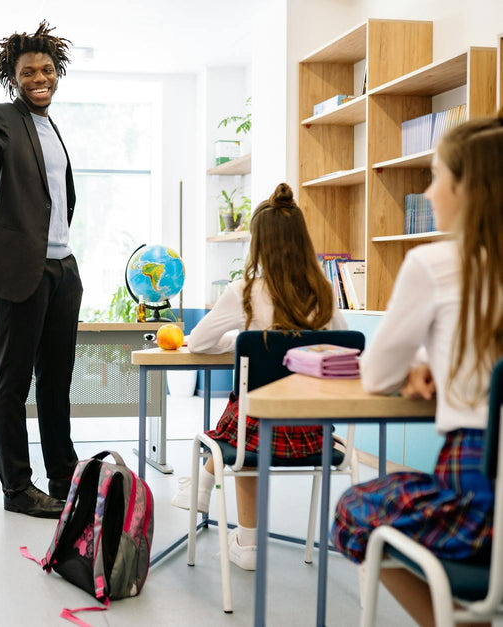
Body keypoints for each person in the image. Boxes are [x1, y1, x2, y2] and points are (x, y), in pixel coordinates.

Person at [331, 113, 503, 627]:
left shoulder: (434, 263)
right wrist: (432, 359)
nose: (427, 193)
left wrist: (414, 367)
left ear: (465, 187)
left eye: (434, 176)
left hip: (479, 501)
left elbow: (378, 376)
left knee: (354, 511)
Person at [178, 182, 347, 570]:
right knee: (248, 415)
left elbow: (200, 341)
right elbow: (343, 346)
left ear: (258, 245)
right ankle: (206, 495)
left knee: (244, 416)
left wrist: (242, 339)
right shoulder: (324, 292)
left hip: (253, 433)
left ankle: (246, 542)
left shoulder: (245, 290)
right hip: (314, 431)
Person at [0, 21, 80, 518]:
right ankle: (18, 488)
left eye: (47, 70)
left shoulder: (51, 126)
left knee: (56, 382)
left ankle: (64, 478)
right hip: (23, 271)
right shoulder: (3, 116)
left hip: (63, 270)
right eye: (29, 71)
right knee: (11, 383)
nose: (39, 77)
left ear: (56, 73)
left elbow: (57, 198)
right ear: (14, 76)